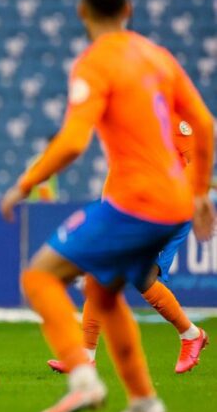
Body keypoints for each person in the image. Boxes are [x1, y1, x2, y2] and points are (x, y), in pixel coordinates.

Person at [0, 0, 215, 412]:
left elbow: (73, 142)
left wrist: (24, 183)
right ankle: (143, 399)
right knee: (102, 286)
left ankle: (83, 379)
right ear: (128, 9)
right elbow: (205, 124)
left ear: (82, 10)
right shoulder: (157, 57)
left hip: (137, 200)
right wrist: (198, 194)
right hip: (173, 202)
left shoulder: (96, 62)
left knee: (39, 277)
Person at [47, 120, 208, 375]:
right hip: (132, 212)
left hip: (168, 213)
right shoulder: (139, 116)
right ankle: (85, 356)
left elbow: (195, 167)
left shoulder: (177, 121)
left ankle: (191, 334)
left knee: (143, 278)